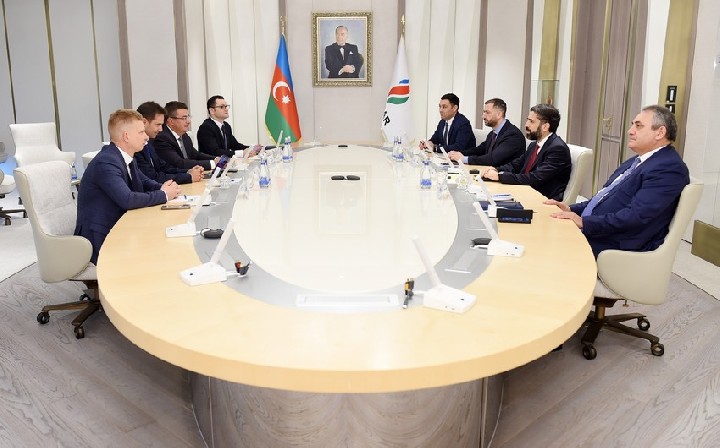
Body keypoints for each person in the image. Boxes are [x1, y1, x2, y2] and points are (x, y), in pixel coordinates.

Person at [546, 105, 689, 258]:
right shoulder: (638, 160)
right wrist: (570, 209)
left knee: (545, 246)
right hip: (600, 230)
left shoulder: (668, 168)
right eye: (632, 125)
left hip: (616, 243)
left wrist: (584, 223)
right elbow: (602, 198)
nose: (630, 131)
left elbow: (636, 216)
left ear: (660, 132)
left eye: (638, 126)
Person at [74, 109, 182, 264]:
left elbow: (144, 182)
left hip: (121, 227)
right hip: (101, 238)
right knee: (159, 253)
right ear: (126, 136)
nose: (146, 137)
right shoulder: (106, 161)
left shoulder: (125, 157)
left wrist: (164, 188)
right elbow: (128, 199)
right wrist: (164, 194)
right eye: (141, 132)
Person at [482, 103, 571, 201]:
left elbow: (535, 178)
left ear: (545, 127)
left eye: (531, 121)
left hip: (541, 200)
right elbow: (516, 164)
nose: (526, 125)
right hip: (524, 192)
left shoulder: (558, 149)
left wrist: (499, 176)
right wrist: (496, 169)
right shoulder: (534, 145)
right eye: (527, 120)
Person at [134, 101, 203, 184]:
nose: (161, 129)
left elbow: (164, 168)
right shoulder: (135, 148)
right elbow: (152, 177)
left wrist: (188, 171)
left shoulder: (149, 143)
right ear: (144, 122)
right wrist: (188, 177)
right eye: (158, 125)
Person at [447, 98, 526, 166]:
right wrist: (457, 153)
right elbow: (479, 150)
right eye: (484, 112)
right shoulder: (493, 133)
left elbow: (493, 158)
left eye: (487, 112)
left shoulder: (513, 135)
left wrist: (464, 159)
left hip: (504, 176)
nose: (483, 116)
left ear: (499, 114)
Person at [154, 101, 219, 171]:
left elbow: (196, 155)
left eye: (188, 117)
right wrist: (212, 163)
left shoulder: (185, 136)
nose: (188, 121)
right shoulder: (162, 138)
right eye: (184, 118)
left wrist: (216, 159)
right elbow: (179, 163)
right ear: (171, 121)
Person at [196, 95, 261, 158]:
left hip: (225, 163)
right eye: (222, 107)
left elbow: (235, 145)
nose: (226, 109)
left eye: (226, 106)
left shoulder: (226, 126)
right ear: (212, 111)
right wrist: (241, 153)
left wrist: (251, 149)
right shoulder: (205, 128)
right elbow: (215, 151)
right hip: (211, 164)